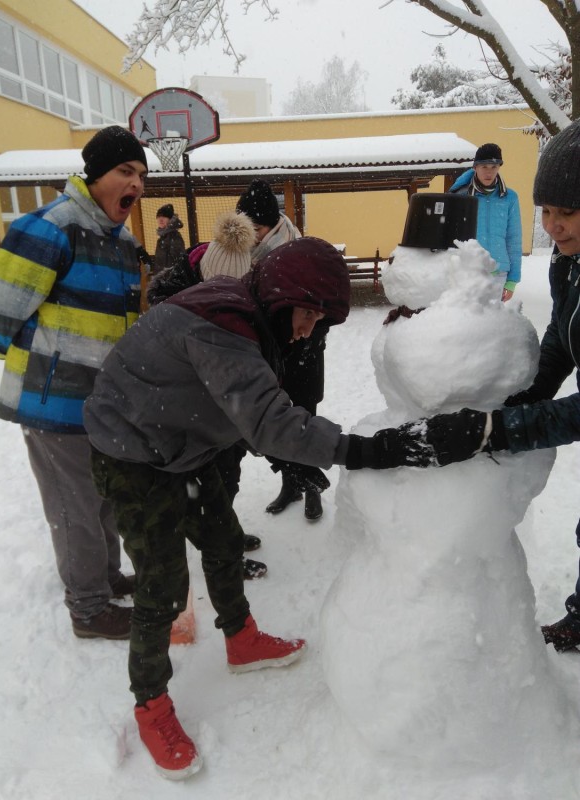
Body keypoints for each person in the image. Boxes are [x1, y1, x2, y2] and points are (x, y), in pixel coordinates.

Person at [83, 236, 411, 779]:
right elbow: (269, 422)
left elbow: (249, 408)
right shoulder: (224, 327)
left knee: (224, 540)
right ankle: (151, 705)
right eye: (308, 314)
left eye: (317, 320)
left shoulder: (244, 312)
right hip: (133, 454)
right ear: (283, 296)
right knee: (161, 587)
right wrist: (363, 451)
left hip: (183, 444)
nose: (307, 329)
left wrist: (282, 447)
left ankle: (240, 638)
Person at [365, 118, 580, 654]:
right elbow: (562, 336)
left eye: (568, 212)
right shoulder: (569, 262)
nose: (554, 226)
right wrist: (524, 396)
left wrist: (497, 430)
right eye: (546, 211)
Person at [0, 125, 149, 640]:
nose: (136, 184)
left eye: (142, 175)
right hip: (52, 401)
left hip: (100, 402)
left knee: (102, 496)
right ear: (94, 175)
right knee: (73, 504)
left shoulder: (121, 242)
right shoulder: (50, 228)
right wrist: (44, 363)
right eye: (125, 171)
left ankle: (106, 577)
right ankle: (89, 608)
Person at [148, 209, 269, 580]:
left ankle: (226, 536)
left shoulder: (242, 290)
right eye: (218, 286)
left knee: (229, 472)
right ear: (203, 272)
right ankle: (221, 553)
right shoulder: (171, 296)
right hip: (187, 404)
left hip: (225, 401)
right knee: (205, 480)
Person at [237, 178, 329, 520]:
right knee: (275, 423)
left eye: (257, 229)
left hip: (303, 356)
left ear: (273, 223)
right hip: (269, 356)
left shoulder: (302, 253)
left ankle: (312, 490)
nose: (253, 237)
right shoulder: (244, 255)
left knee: (303, 422)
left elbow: (324, 311)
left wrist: (303, 336)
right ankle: (291, 485)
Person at [450, 143, 522, 302]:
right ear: (475, 167)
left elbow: (514, 239)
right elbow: (451, 237)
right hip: (469, 273)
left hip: (499, 273)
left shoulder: (510, 198)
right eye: (484, 166)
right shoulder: (462, 197)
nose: (489, 172)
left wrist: (512, 280)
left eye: (494, 166)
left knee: (493, 317)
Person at [153, 203, 186, 277]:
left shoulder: (173, 236)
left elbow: (178, 260)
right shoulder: (163, 237)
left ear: (170, 219)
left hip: (170, 278)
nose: (161, 219)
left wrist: (170, 277)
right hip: (163, 278)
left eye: (164, 216)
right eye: (158, 216)